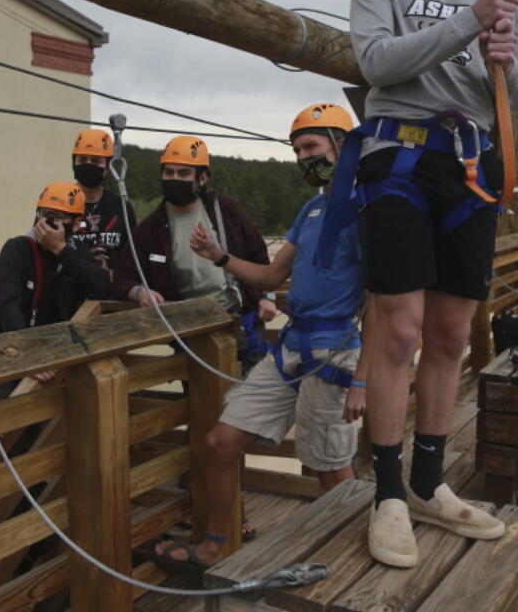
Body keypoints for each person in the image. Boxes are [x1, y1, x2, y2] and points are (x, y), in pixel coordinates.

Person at [340, 0, 518, 567]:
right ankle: (389, 490)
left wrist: (505, 57)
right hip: (399, 156)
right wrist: (466, 22)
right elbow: (375, 61)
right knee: (398, 331)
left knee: (454, 333)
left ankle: (430, 480)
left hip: (471, 165)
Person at [151, 104, 368, 571]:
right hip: (292, 346)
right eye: (297, 150)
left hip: (335, 352)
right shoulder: (312, 208)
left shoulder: (366, 209)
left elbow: (387, 298)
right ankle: (214, 545)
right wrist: (219, 256)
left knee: (331, 469)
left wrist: (365, 378)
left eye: (310, 146)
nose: (302, 157)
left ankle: (359, 572)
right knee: (220, 443)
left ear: (342, 144)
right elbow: (271, 276)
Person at [112, 136, 276, 370]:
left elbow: (258, 255)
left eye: (183, 173)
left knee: (255, 392)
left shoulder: (224, 210)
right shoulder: (151, 228)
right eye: (169, 173)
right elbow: (123, 275)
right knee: (200, 400)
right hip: (188, 328)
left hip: (238, 318)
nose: (174, 179)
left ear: (202, 178)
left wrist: (267, 296)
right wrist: (138, 291)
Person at [0, 182, 111, 349]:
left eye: (58, 216)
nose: (47, 222)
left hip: (51, 349)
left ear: (77, 223)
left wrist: (60, 250)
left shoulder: (75, 251)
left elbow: (101, 287)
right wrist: (30, 352)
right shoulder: (16, 249)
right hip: (6, 349)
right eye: (44, 214)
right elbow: (7, 305)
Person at [67, 128, 138, 274]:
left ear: (108, 167)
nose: (88, 165)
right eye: (82, 160)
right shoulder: (60, 203)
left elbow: (134, 258)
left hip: (112, 292)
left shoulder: (121, 208)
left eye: (95, 161)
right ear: (74, 163)